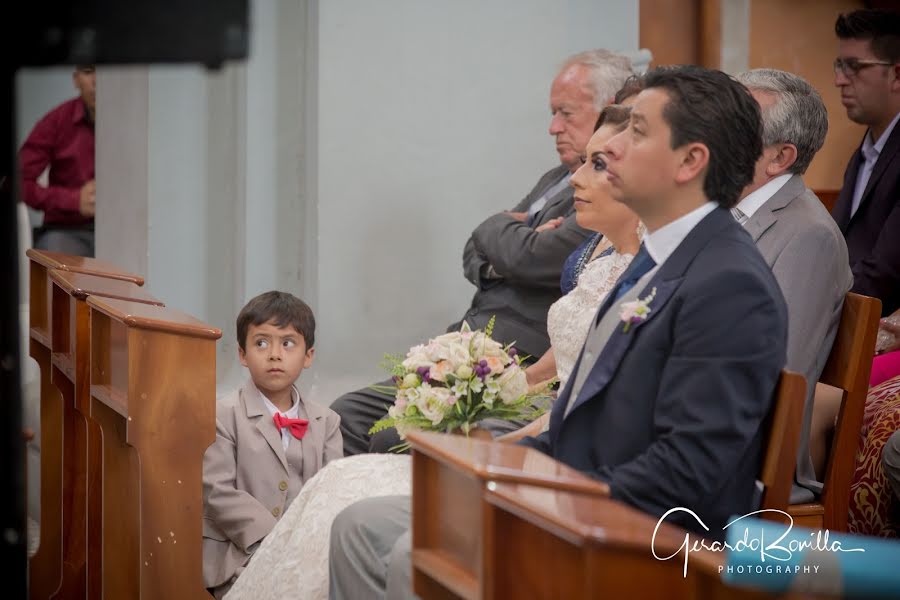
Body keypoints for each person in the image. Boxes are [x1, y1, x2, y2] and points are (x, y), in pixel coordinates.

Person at [328, 65, 788, 599]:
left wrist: (544, 492)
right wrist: (496, 462)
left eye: (636, 132)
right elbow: (580, 416)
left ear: (690, 161)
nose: (612, 147)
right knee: (359, 528)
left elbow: (689, 469)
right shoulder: (654, 258)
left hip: (638, 535)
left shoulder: (729, 284)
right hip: (568, 491)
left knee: (413, 550)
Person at [222, 105, 641, 600]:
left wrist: (498, 409)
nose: (576, 172)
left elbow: (528, 259)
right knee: (347, 425)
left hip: (542, 408)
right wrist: (500, 369)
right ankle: (280, 546)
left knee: (374, 480)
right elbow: (481, 245)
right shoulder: (589, 250)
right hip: (490, 361)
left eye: (566, 114)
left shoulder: (620, 257)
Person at [333, 49, 634, 455]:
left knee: (393, 438)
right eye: (552, 113)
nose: (552, 127)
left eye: (565, 113)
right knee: (346, 415)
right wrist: (504, 246)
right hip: (465, 345)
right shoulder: (555, 178)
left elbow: (538, 258)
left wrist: (511, 236)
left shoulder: (615, 193)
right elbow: (476, 249)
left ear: (608, 110)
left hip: (520, 355)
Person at [732, 68, 853, 501]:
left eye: (734, 126)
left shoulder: (808, 236)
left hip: (747, 460)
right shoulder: (727, 212)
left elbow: (775, 375)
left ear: (779, 157)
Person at [203, 291, 342, 599]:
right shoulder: (223, 415)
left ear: (308, 356)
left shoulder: (327, 422)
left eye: (288, 343)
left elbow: (331, 494)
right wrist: (277, 540)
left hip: (308, 554)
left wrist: (305, 547)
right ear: (242, 354)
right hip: (241, 555)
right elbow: (218, 492)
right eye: (261, 343)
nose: (275, 354)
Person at [831, 9, 900, 317]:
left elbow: (886, 271)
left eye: (854, 67)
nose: (838, 80)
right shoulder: (865, 150)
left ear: (897, 74)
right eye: (839, 65)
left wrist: (815, 301)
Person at [18, 65, 97, 256]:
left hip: (125, 229)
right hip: (69, 231)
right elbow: (14, 182)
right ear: (76, 80)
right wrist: (73, 200)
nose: (98, 81)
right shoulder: (57, 121)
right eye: (88, 72)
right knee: (56, 268)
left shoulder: (140, 121)